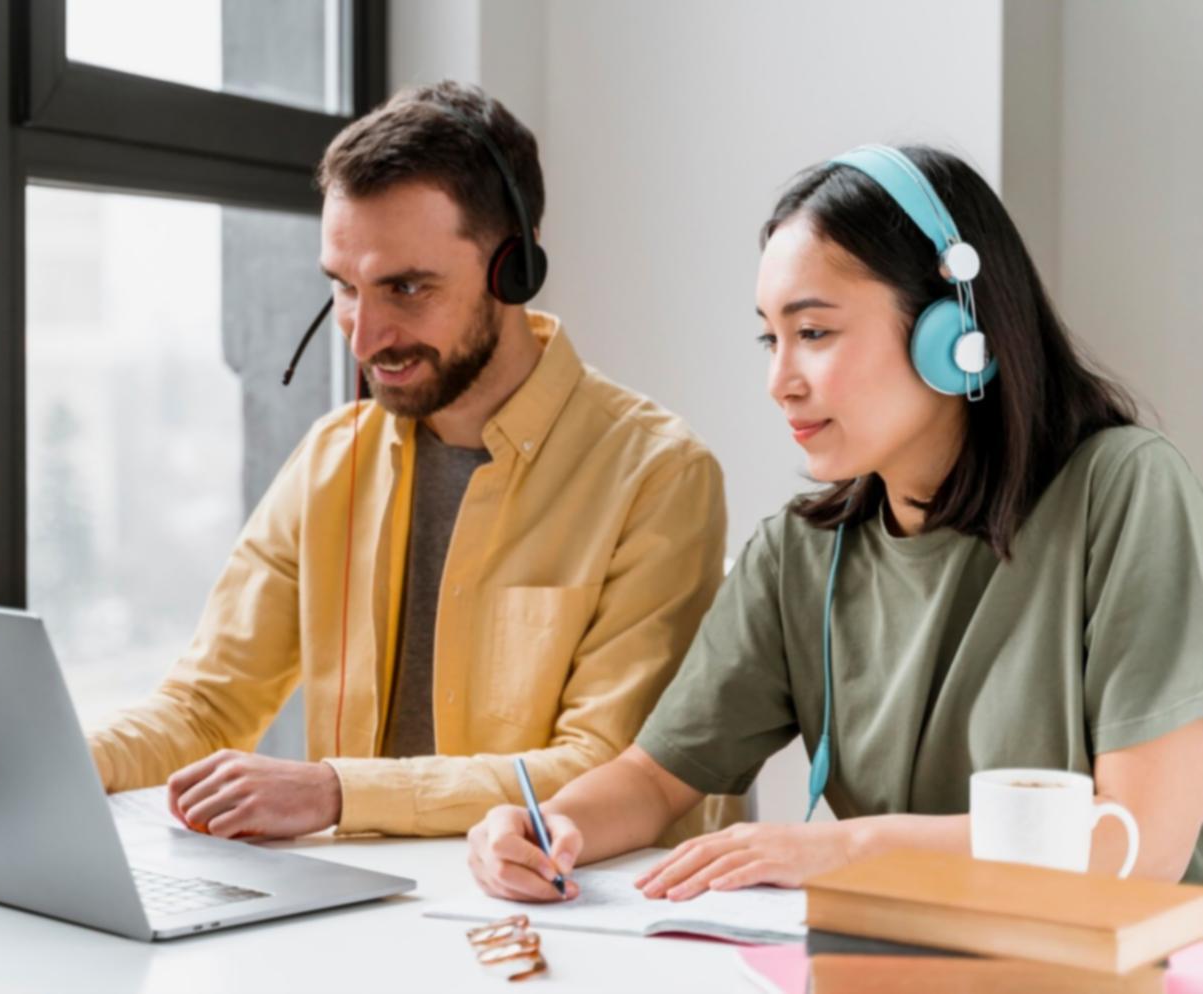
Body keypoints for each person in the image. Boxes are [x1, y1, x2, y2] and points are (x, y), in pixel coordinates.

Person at [466, 144, 1203, 902]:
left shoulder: (1120, 490)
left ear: (953, 333)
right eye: (769, 338)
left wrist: (845, 848)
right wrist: (546, 826)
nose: (779, 382)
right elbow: (656, 778)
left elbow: (1139, 843)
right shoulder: (799, 554)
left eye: (812, 333)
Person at [88, 81, 740, 841]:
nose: (365, 338)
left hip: (547, 926)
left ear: (513, 270)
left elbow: (600, 769)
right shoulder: (332, 459)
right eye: (344, 288)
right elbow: (205, 708)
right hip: (363, 912)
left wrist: (335, 793)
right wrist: (66, 761)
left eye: (405, 288)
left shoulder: (656, 476)